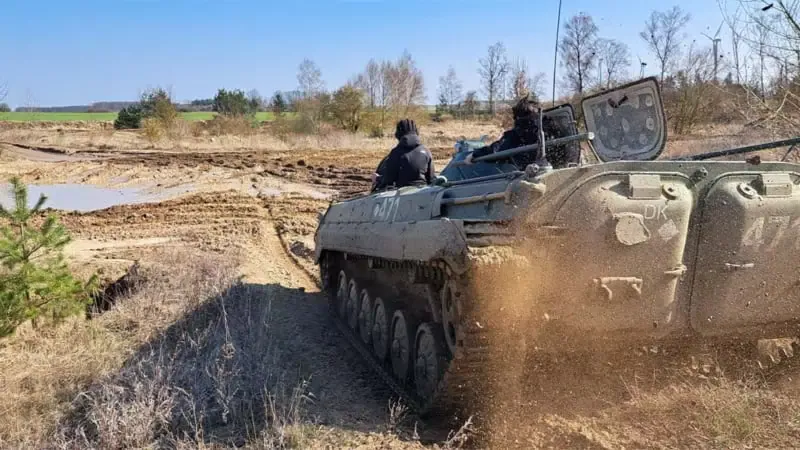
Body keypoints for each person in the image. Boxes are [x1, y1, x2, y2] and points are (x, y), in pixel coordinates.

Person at [464, 94, 580, 169]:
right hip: (563, 170)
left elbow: (497, 151)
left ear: (518, 117)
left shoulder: (519, 131)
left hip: (531, 175)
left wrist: (475, 155)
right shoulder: (555, 126)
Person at [371, 119, 435, 191]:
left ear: (398, 134)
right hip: (422, 191)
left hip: (402, 194)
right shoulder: (426, 151)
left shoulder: (396, 152)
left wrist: (377, 178)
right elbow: (431, 179)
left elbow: (388, 179)